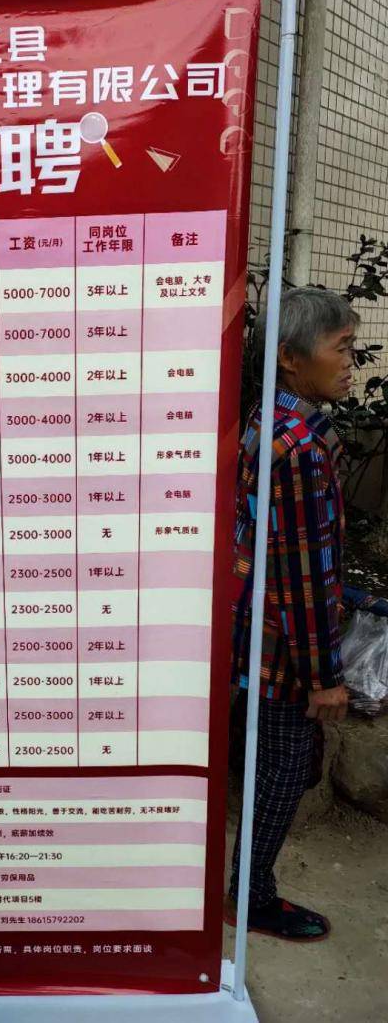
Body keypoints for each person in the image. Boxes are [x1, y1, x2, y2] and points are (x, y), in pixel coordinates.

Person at [226, 287, 358, 941]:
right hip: (282, 650)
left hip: (261, 631)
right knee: (283, 770)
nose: (351, 362)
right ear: (290, 357)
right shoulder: (299, 445)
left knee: (276, 763)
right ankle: (250, 896)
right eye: (342, 348)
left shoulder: (269, 419)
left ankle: (247, 886)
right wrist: (323, 678)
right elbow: (301, 575)